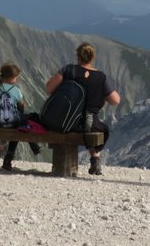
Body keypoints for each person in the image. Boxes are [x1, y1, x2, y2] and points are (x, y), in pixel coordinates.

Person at [44, 42, 121, 175]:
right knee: (100, 128)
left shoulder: (68, 70)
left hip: (63, 121)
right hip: (88, 124)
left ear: (77, 56)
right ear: (92, 57)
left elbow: (49, 89)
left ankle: (94, 159)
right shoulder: (100, 77)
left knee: (86, 125)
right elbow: (115, 100)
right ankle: (95, 158)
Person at [0, 62, 41, 171]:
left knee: (19, 124)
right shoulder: (15, 90)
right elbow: (21, 107)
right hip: (12, 123)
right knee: (25, 121)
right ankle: (31, 147)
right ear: (13, 78)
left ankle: (31, 147)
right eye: (16, 78)